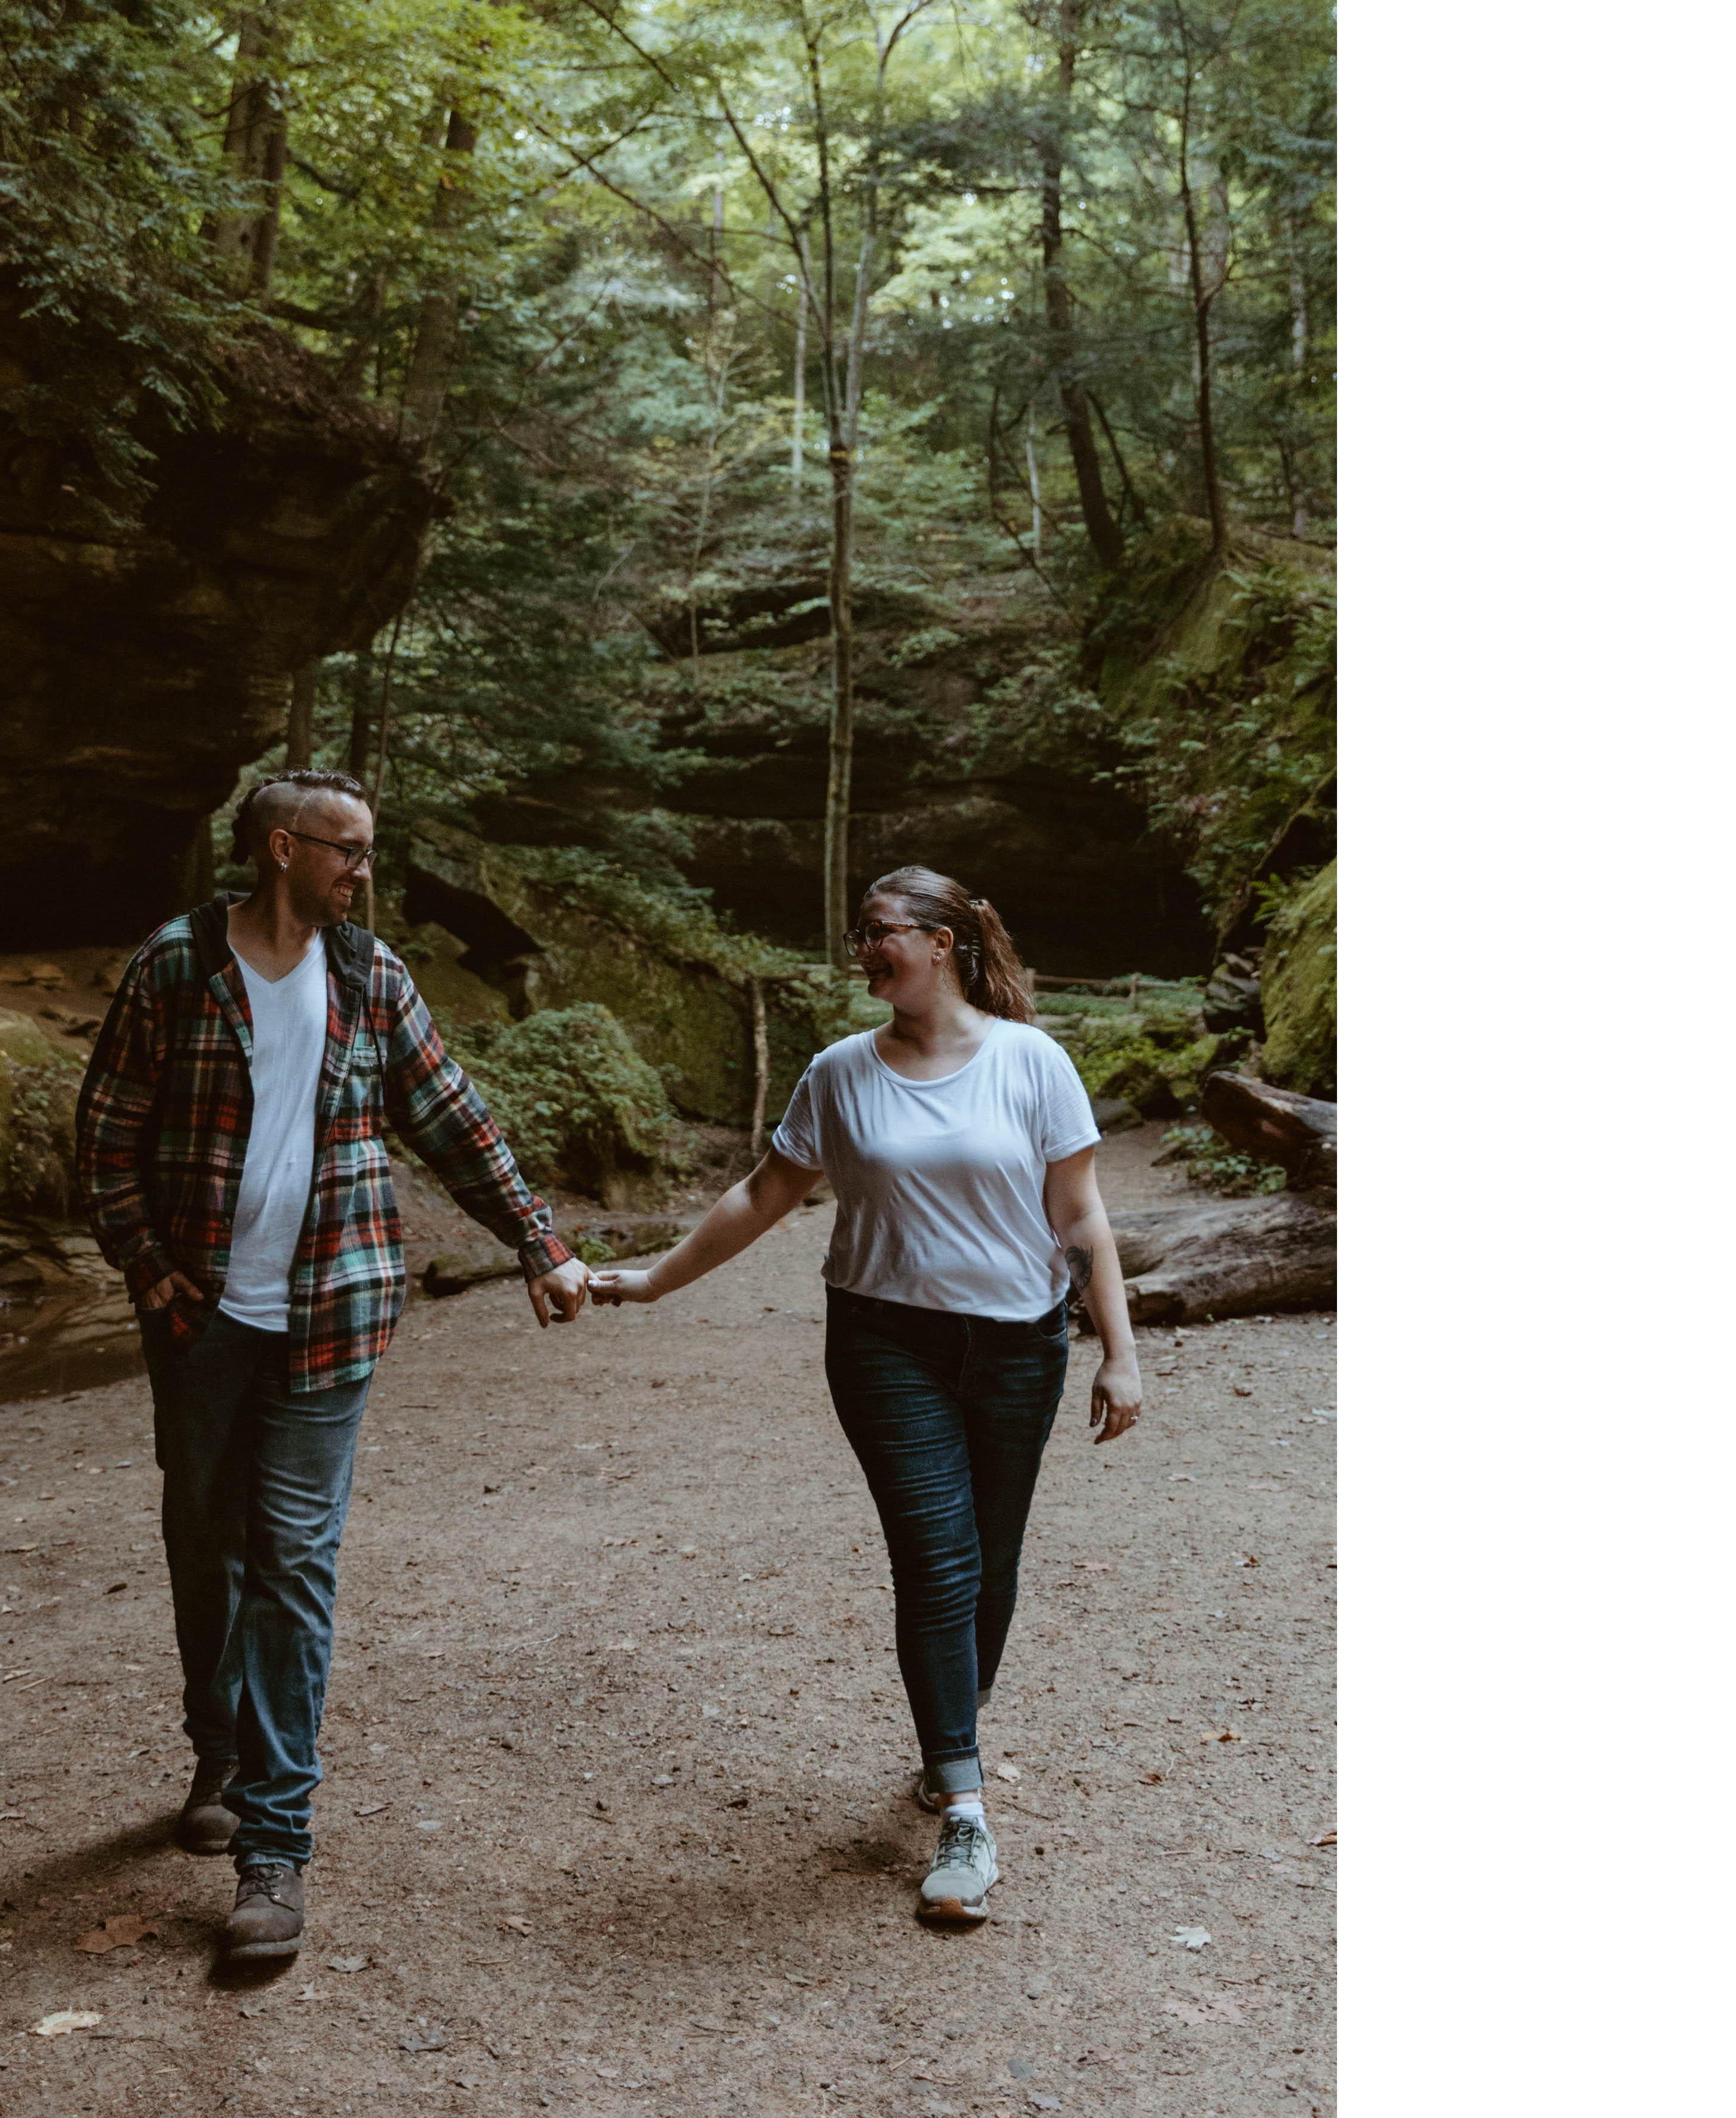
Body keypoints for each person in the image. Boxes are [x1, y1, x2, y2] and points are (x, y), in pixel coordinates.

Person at [75, 767, 591, 1961]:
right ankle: (218, 1737)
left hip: (331, 1312)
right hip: (201, 1316)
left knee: (294, 1559)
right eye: (346, 849)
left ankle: (274, 1848)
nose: (363, 870)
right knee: (205, 1537)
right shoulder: (175, 968)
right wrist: (153, 1275)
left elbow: (451, 1113)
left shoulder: (369, 974)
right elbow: (104, 1138)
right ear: (277, 846)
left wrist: (536, 1237)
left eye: (366, 849)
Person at [591, 867, 1141, 1927]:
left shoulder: (1031, 1062)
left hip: (1021, 1345)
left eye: (885, 932)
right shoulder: (841, 1073)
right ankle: (965, 1804)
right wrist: (655, 1276)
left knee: (991, 1562)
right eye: (860, 935)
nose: (867, 949)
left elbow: (1079, 1218)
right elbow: (765, 1191)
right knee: (935, 1558)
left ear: (942, 943)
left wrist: (1119, 1351)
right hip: (885, 1342)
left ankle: (951, 1729)